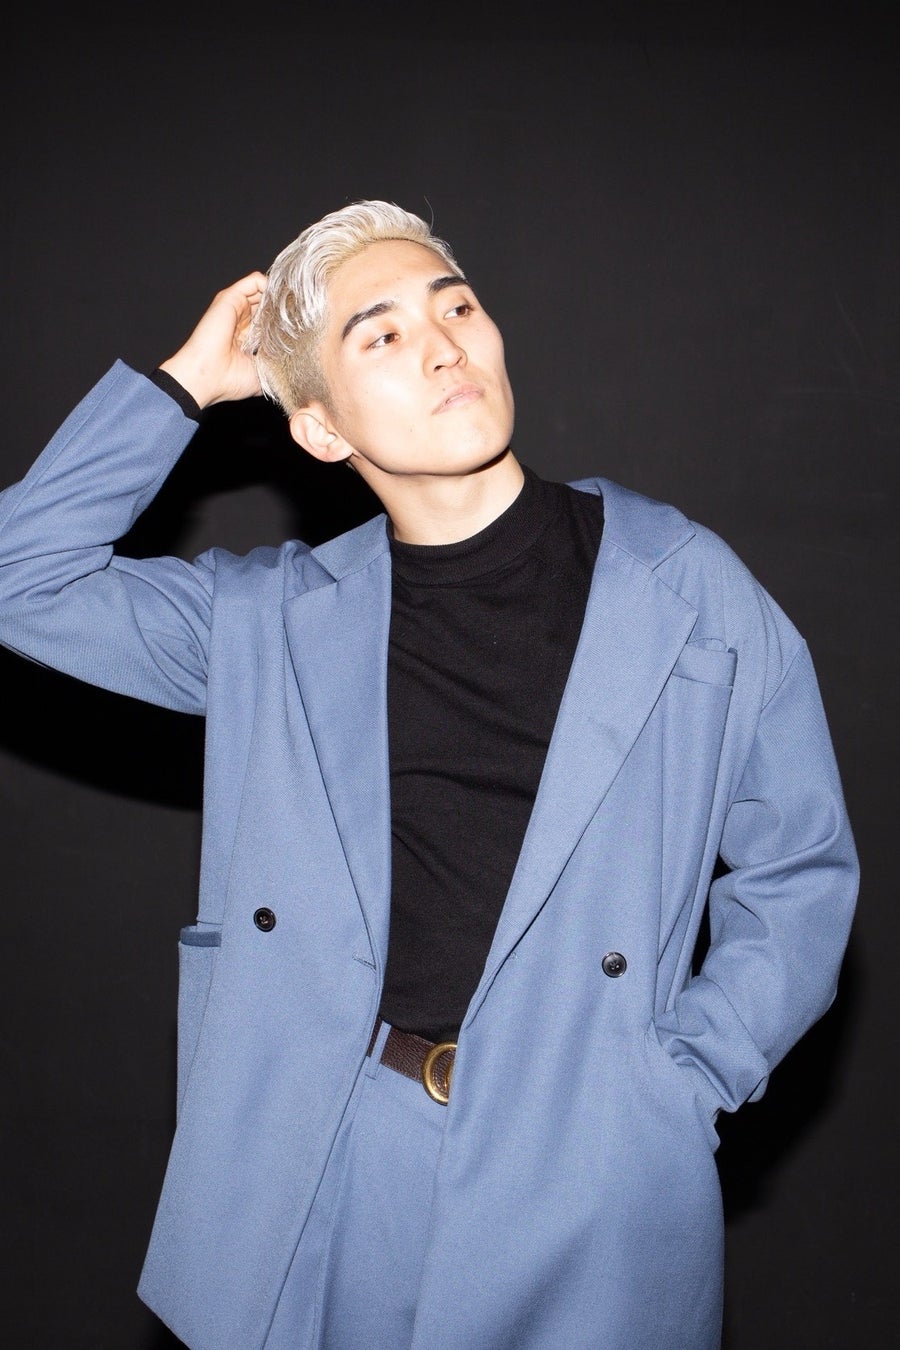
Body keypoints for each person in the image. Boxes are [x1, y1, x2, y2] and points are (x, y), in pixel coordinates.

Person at [0, 200, 858, 1350]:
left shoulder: (682, 582)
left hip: (594, 1153)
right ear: (318, 428)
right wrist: (188, 382)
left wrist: (683, 1081)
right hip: (346, 1151)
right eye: (384, 334)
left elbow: (799, 865)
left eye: (456, 308)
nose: (446, 345)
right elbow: (19, 578)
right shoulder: (272, 621)